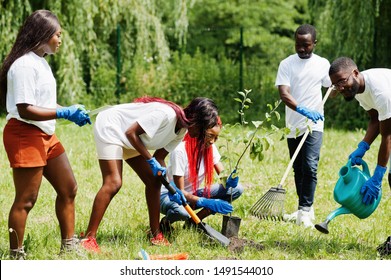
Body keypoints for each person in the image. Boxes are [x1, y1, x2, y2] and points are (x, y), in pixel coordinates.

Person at [0, 10, 91, 259]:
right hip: (24, 134)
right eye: (57, 34)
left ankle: (69, 245)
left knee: (69, 188)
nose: (60, 40)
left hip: (45, 135)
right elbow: (25, 109)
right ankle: (16, 254)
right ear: (42, 34)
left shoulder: (41, 61)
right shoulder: (24, 65)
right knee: (27, 199)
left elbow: (44, 102)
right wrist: (63, 114)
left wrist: (68, 110)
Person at [80, 96, 219, 252]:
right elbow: (131, 132)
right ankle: (88, 238)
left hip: (131, 138)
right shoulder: (166, 115)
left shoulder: (181, 131)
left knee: (154, 181)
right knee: (114, 182)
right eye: (203, 130)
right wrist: (149, 160)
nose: (201, 136)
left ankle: (155, 233)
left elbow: (159, 157)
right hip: (112, 126)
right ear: (196, 121)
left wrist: (172, 185)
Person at [328, 56, 391, 257]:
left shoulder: (381, 91)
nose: (340, 87)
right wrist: (362, 147)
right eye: (335, 84)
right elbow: (375, 120)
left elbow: (387, 136)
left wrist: (378, 175)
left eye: (342, 81)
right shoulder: (359, 91)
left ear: (355, 73)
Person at [275, 24, 331, 228]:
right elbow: (284, 94)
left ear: (314, 43)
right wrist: (303, 110)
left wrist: (333, 89)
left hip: (315, 123)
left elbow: (330, 87)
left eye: (306, 45)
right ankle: (303, 208)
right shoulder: (286, 64)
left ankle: (305, 211)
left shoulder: (323, 64)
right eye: (298, 44)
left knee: (310, 165)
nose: (301, 49)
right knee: (298, 168)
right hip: (292, 124)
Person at [159, 117, 242, 232]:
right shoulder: (180, 150)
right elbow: (180, 192)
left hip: (192, 193)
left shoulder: (210, 148)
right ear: (199, 131)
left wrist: (229, 180)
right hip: (170, 196)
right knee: (181, 212)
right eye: (210, 136)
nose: (212, 141)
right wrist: (205, 202)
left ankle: (193, 221)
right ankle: (165, 223)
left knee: (237, 189)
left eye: (216, 138)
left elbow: (222, 175)